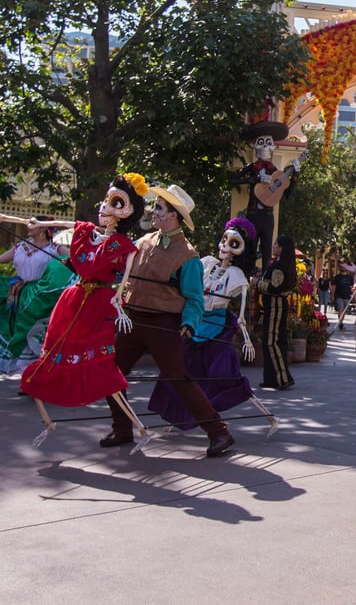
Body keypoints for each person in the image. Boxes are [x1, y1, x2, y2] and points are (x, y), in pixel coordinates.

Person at [100, 184, 235, 457]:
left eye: (159, 207)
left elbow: (195, 299)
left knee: (178, 377)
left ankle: (219, 432)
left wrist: (189, 323)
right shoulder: (142, 242)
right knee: (110, 373)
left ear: (173, 215)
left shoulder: (188, 256)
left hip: (163, 323)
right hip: (133, 318)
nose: (153, 211)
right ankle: (122, 428)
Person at [18, 176, 149, 441]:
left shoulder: (124, 246)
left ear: (127, 211)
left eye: (115, 203)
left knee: (100, 362)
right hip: (75, 298)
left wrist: (119, 303)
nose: (104, 207)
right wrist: (39, 223)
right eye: (106, 200)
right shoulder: (89, 234)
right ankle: (47, 419)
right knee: (55, 352)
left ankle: (138, 427)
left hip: (99, 304)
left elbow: (124, 282)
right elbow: (63, 224)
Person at [148, 217, 265, 429]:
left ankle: (213, 417)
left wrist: (246, 339)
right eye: (224, 240)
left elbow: (240, 315)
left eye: (234, 244)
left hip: (217, 328)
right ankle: (181, 414)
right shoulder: (207, 263)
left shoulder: (237, 276)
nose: (226, 248)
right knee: (181, 370)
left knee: (222, 375)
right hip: (196, 323)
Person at [0, 215, 74, 372]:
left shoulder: (55, 249)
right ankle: (25, 372)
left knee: (33, 330)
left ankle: (32, 373)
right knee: (18, 329)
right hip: (18, 294)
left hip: (40, 296)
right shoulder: (20, 246)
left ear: (43, 228)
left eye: (33, 224)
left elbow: (76, 259)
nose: (28, 226)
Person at [229, 120, 300, 267]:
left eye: (269, 143)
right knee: (249, 248)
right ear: (255, 146)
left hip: (268, 216)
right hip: (252, 214)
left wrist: (296, 175)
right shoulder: (252, 168)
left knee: (268, 248)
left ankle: (265, 278)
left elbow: (287, 195)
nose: (266, 147)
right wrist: (254, 179)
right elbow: (233, 180)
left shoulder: (276, 173)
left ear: (273, 146)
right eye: (262, 143)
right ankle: (246, 276)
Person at [258, 234, 297, 390]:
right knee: (270, 341)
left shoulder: (280, 267)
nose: (273, 246)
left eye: (276, 244)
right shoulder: (280, 264)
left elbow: (275, 288)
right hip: (273, 306)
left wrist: (257, 284)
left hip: (276, 305)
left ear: (281, 248)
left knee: (272, 341)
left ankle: (282, 378)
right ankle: (271, 378)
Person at [331, 261, 356, 328]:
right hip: (339, 295)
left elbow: (351, 287)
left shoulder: (350, 277)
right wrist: (332, 295)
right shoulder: (337, 277)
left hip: (347, 296)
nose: (343, 268)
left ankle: (341, 320)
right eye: (342, 267)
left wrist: (353, 295)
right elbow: (334, 287)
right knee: (340, 309)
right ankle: (340, 322)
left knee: (344, 310)